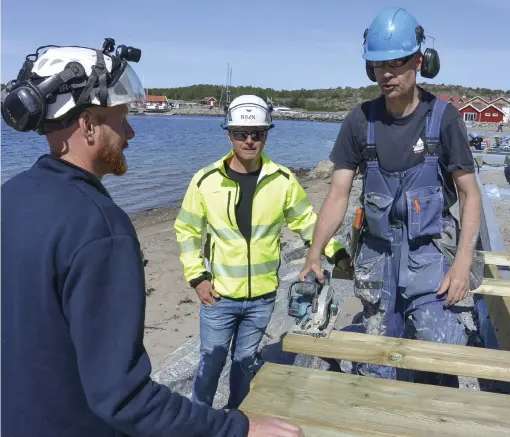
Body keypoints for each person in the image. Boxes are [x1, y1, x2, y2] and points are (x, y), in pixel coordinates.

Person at [1, 41, 303, 437]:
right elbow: (123, 397)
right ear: (88, 125)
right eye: (121, 118)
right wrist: (238, 429)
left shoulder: (11, 196)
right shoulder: (100, 228)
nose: (131, 132)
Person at [299, 8, 482, 386]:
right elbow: (337, 194)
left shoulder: (444, 120)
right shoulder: (360, 121)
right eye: (378, 64)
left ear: (419, 61)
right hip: (377, 259)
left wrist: (463, 263)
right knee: (378, 360)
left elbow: (470, 194)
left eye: (397, 63)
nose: (387, 73)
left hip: (430, 257)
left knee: (438, 354)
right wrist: (314, 254)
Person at [174, 94, 351, 408]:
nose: (250, 140)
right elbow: (186, 230)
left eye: (258, 133)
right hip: (218, 296)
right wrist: (197, 277)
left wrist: (334, 251)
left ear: (267, 134)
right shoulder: (205, 181)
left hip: (262, 298)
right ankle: (198, 422)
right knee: (210, 364)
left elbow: (307, 222)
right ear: (229, 134)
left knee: (245, 362)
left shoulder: (282, 180)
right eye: (241, 133)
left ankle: (237, 417)